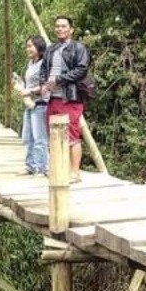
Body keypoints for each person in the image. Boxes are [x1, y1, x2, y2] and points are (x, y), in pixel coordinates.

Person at [39, 15, 89, 183]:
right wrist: (43, 84)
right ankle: (61, 169)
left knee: (72, 134)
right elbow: (43, 69)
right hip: (52, 98)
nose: (60, 29)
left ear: (71, 29)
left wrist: (59, 80)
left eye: (63, 26)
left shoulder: (78, 48)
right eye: (57, 26)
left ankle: (74, 173)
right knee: (53, 134)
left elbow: (81, 69)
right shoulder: (51, 49)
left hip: (70, 97)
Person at [19, 35, 49, 176]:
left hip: (40, 103)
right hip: (29, 103)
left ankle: (42, 168)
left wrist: (29, 91)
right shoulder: (31, 63)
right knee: (28, 137)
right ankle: (30, 165)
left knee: (39, 138)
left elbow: (46, 84)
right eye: (27, 46)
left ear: (39, 46)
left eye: (30, 46)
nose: (28, 49)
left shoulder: (44, 63)